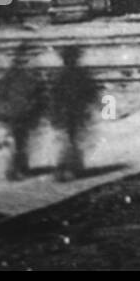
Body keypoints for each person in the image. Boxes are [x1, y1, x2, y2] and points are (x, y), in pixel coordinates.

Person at [0, 42, 45, 181]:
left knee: (20, 140)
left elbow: (2, 87)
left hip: (20, 110)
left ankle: (18, 167)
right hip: (19, 110)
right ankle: (16, 169)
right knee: (19, 141)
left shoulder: (15, 71)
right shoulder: (25, 73)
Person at [49, 45, 99, 182]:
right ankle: (71, 166)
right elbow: (92, 92)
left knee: (68, 139)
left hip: (68, 113)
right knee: (73, 139)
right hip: (76, 112)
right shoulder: (81, 74)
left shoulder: (59, 76)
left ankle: (67, 166)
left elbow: (53, 96)